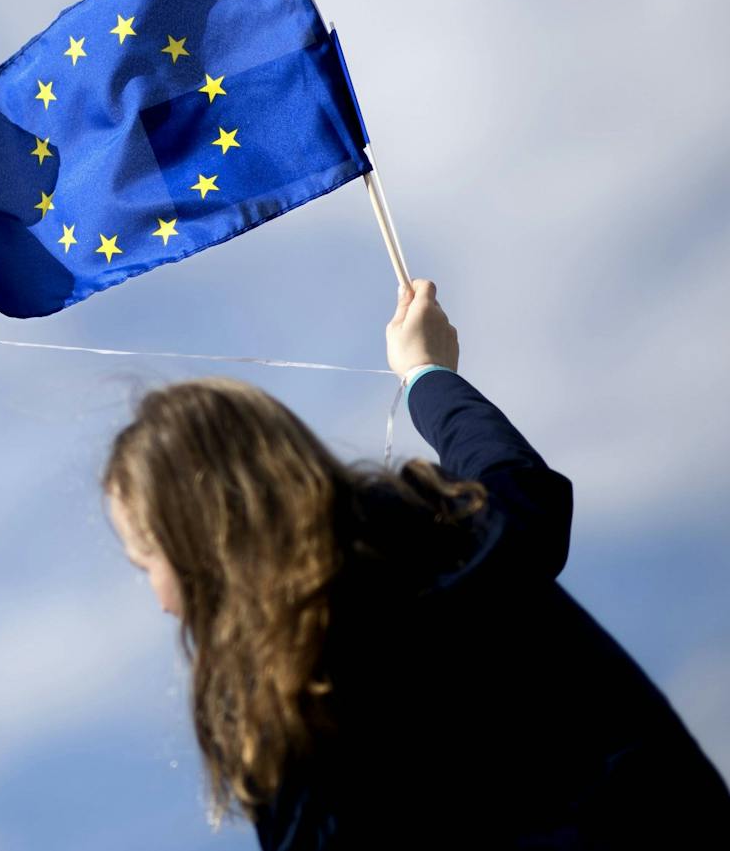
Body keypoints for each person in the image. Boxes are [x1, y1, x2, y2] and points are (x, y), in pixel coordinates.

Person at [104, 279, 730, 848]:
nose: (159, 598)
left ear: (201, 547)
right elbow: (515, 484)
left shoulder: (283, 715)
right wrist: (426, 373)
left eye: (148, 561)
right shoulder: (445, 536)